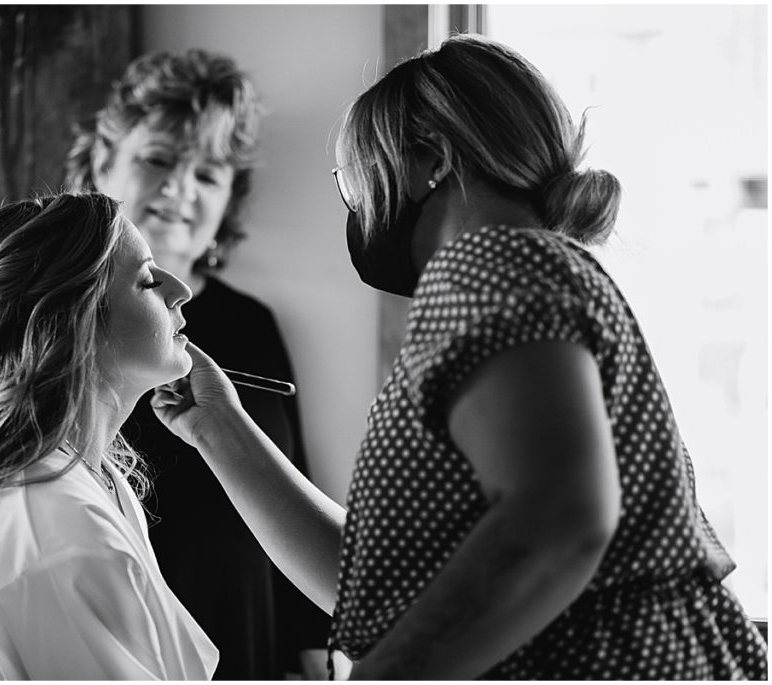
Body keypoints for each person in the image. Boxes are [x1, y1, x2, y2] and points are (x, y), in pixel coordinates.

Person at [149, 34, 769, 680]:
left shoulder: (489, 261)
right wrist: (218, 428)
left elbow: (559, 521)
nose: (354, 208)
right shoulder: (525, 274)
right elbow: (385, 589)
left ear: (431, 160)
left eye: (352, 179)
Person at [0, 192, 219, 679]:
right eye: (145, 279)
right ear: (73, 322)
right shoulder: (58, 532)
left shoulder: (97, 483)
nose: (180, 290)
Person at [65, 48, 329, 679]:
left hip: (245, 643)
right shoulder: (33, 320)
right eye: (158, 160)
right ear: (104, 164)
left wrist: (316, 654)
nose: (179, 190)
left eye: (207, 175)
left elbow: (293, 484)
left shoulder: (253, 328)